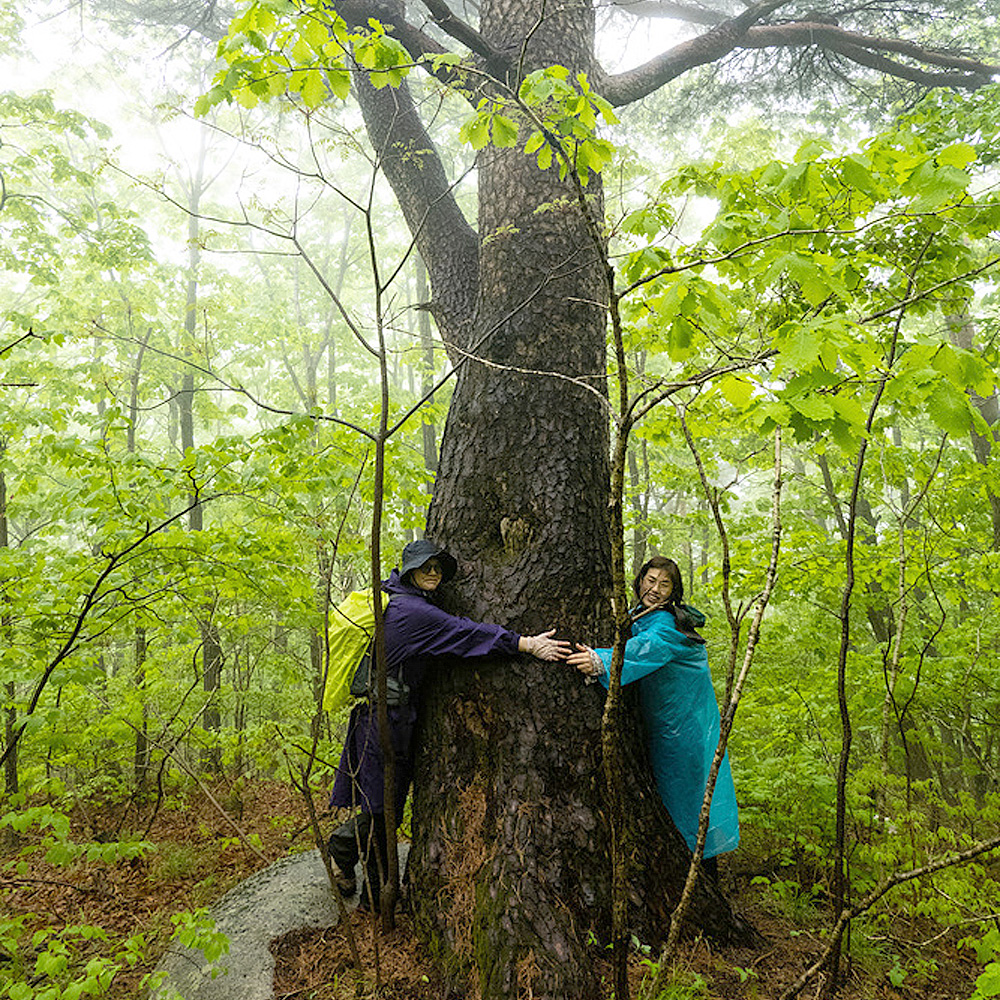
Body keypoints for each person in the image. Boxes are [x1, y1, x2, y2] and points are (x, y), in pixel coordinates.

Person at [328, 538, 570, 910]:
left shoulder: (396, 598)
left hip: (386, 718)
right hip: (384, 723)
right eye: (426, 567)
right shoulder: (413, 613)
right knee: (382, 810)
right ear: (408, 569)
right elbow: (467, 633)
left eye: (438, 568)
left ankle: (352, 863)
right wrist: (525, 643)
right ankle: (372, 895)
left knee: (382, 807)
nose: (433, 573)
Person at [567, 556, 739, 872]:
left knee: (689, 808)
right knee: (678, 805)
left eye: (664, 584)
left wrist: (600, 660)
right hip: (667, 729)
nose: (655, 589)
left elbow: (648, 647)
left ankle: (701, 882)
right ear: (640, 579)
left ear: (674, 592)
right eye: (650, 580)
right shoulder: (641, 615)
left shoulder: (669, 623)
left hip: (684, 732)